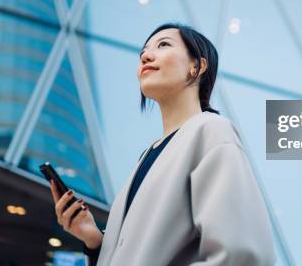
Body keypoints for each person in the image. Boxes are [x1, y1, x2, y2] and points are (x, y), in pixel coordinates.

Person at [50, 22, 276, 265]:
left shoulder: (211, 130)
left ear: (197, 67)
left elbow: (241, 255)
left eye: (163, 45)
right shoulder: (147, 157)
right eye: (143, 52)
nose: (146, 55)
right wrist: (95, 242)